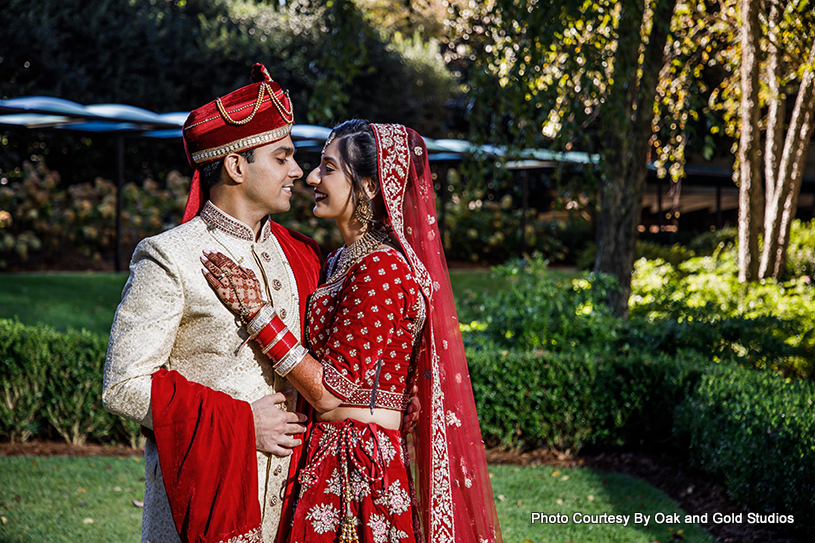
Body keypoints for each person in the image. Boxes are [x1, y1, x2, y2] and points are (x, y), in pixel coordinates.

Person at [200, 120, 502, 543]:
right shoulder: (339, 259)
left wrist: (256, 313)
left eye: (328, 168)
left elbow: (329, 392)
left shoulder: (382, 266)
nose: (311, 177)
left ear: (370, 187)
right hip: (329, 451)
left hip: (358, 466)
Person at [102, 63, 323, 543]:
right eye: (282, 157)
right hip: (202, 502)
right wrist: (242, 425)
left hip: (292, 505)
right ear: (236, 165)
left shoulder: (299, 254)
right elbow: (122, 384)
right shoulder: (169, 256)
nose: (297, 171)